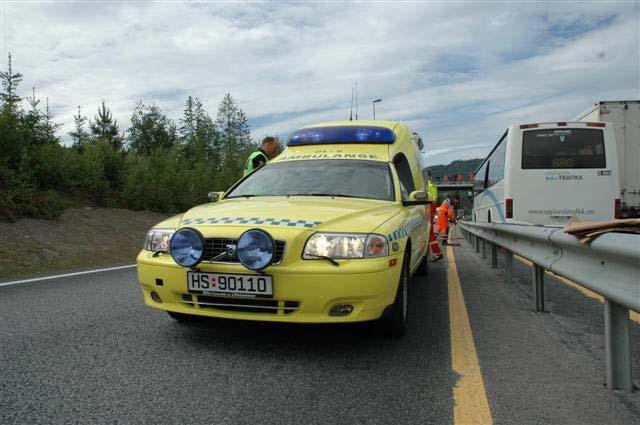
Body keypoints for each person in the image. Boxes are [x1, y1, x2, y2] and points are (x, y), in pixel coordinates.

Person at [425, 171, 443, 261]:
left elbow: (429, 200)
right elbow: (435, 200)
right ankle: (435, 252)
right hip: (432, 209)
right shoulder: (434, 186)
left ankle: (437, 252)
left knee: (428, 232)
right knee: (429, 232)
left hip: (427, 208)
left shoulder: (425, 186)